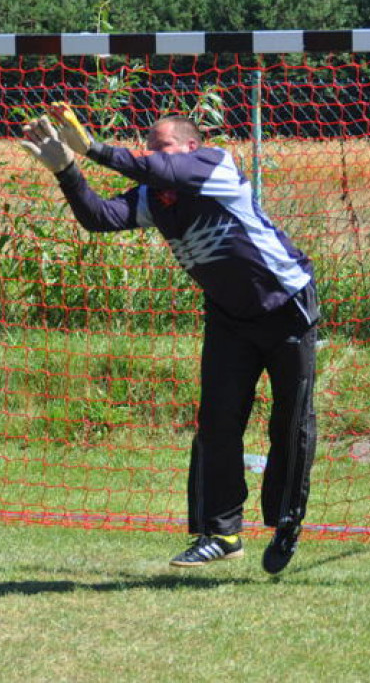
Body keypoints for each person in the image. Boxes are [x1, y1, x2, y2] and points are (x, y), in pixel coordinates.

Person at [20, 106, 319, 575]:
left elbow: (154, 166)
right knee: (217, 422)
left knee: (290, 422)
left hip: (287, 306)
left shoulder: (214, 165)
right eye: (150, 145)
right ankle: (220, 533)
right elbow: (100, 216)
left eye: (163, 146)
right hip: (228, 317)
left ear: (190, 149)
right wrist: (67, 169)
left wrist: (96, 148)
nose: (153, 154)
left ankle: (286, 522)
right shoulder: (154, 197)